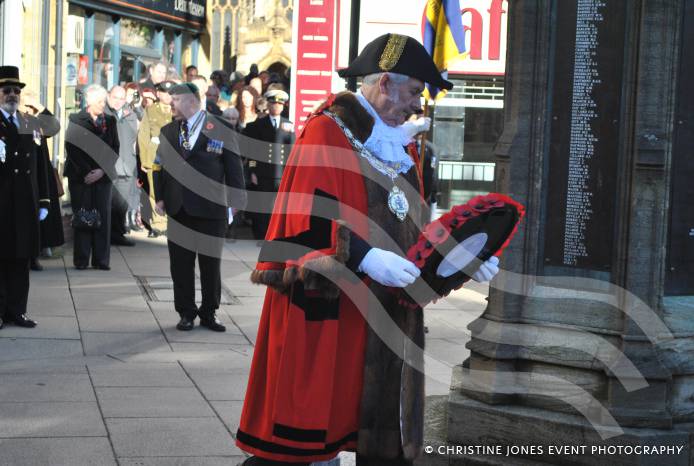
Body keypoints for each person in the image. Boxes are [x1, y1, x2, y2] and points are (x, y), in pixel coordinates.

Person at [236, 34, 500, 465]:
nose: (419, 104)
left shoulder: (402, 146)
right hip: (332, 306)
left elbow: (413, 231)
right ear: (384, 84)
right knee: (301, 445)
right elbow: (302, 222)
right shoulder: (326, 130)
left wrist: (461, 256)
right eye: (415, 92)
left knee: (366, 429)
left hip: (383, 313)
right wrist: (362, 255)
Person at [152, 83, 246, 332]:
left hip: (211, 207)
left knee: (210, 264)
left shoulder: (221, 128)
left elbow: (234, 166)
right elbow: (158, 166)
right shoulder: (168, 131)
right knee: (180, 265)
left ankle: (209, 312)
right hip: (178, 207)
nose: (170, 105)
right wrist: (159, 197)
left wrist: (237, 200)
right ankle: (186, 312)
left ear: (191, 102)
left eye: (175, 100)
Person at [0, 66, 50, 329]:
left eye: (16, 91)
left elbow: (41, 163)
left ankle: (17, 311)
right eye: (6, 90)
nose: (12, 95)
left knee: (21, 258)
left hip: (24, 202)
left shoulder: (30, 123)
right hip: (1, 203)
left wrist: (44, 200)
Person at [64, 84, 119, 270]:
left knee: (103, 217)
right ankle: (81, 259)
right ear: (89, 101)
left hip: (103, 176)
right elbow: (72, 148)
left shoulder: (110, 121)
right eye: (99, 101)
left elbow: (115, 148)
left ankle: (101, 260)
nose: (102, 104)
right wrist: (88, 172)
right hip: (81, 176)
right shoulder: (76, 119)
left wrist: (102, 171)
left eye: (104, 101)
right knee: (83, 216)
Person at [241, 89, 294, 243]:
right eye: (273, 103)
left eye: (279, 104)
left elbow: (292, 152)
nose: (276, 107)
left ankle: (276, 237)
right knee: (262, 207)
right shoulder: (257, 125)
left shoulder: (288, 125)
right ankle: (261, 236)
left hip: (281, 173)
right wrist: (252, 171)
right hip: (262, 173)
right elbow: (250, 153)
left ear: (283, 106)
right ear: (268, 105)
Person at [19, 91, 63, 270]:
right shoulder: (15, 122)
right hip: (21, 176)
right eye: (27, 106)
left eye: (32, 107)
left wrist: (40, 107)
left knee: (36, 220)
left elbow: (54, 127)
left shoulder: (35, 123)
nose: (30, 110)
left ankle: (33, 256)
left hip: (39, 175)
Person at [137, 80, 174, 238]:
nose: (168, 96)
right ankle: (159, 224)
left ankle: (172, 222)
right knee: (154, 191)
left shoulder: (178, 110)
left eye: (171, 92)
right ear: (158, 93)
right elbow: (144, 135)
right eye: (165, 92)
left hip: (174, 157)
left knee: (171, 190)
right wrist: (145, 160)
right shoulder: (150, 110)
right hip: (154, 156)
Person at [106, 85, 138, 245]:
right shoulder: (104, 113)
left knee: (122, 204)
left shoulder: (131, 114)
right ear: (108, 96)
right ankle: (108, 235)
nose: (118, 101)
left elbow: (134, 135)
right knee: (109, 204)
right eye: (115, 97)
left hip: (126, 165)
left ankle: (118, 234)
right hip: (110, 166)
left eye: (121, 98)